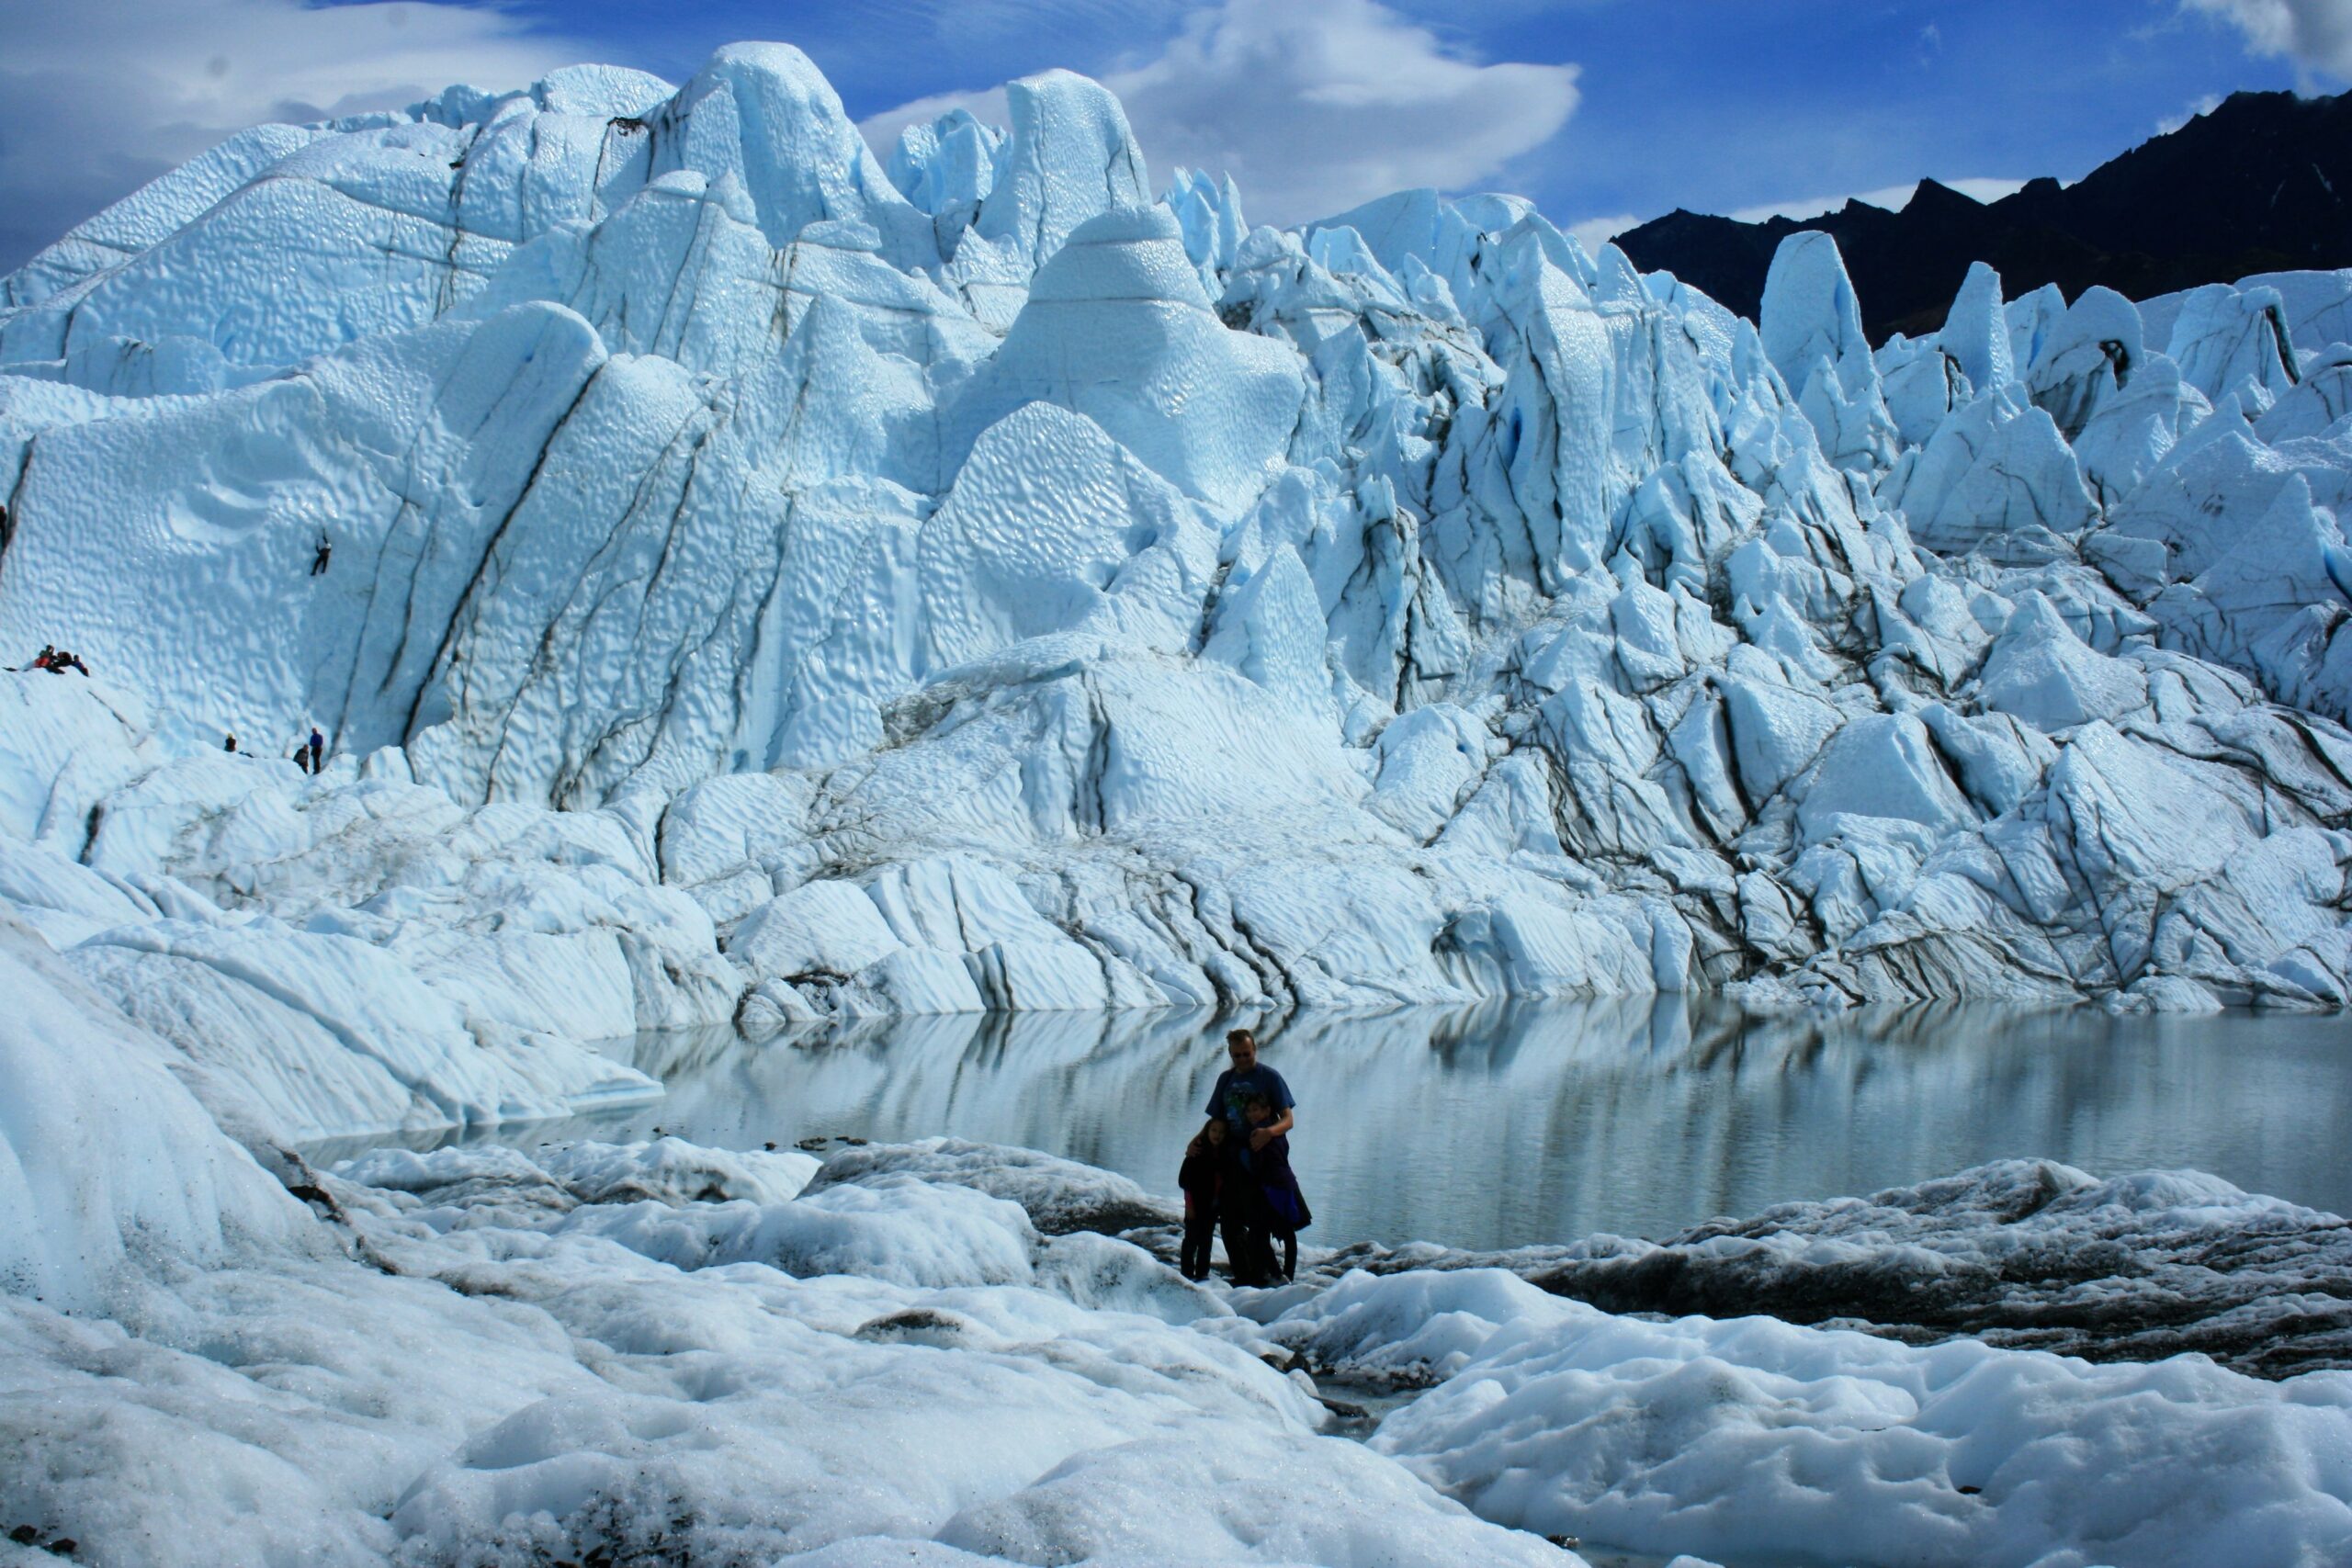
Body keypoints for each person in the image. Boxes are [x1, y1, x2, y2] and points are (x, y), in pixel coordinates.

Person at [1203, 1027, 1295, 1286]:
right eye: (1237, 1055)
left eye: (1247, 1054)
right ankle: (1244, 1277)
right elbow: (1217, 1119)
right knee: (1230, 1223)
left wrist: (1268, 1132)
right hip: (1232, 1157)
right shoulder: (1226, 1079)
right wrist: (1197, 1142)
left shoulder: (1270, 1078)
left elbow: (1288, 1119)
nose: (1242, 1060)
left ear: (1255, 1050)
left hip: (1262, 1159)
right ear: (1230, 1054)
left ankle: (1266, 1275)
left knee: (1259, 1222)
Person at [1243, 1094, 1312, 1282]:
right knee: (1285, 1231)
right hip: (1284, 1182)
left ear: (1266, 1111)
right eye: (1248, 1111)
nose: (1251, 1114)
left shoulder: (1259, 1132)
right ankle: (1286, 1275)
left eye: (1255, 1109)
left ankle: (1278, 1274)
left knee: (1259, 1233)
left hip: (1272, 1187)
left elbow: (1258, 1162)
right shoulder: (1276, 1129)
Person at [1178, 1119, 1227, 1281]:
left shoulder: (1223, 1155)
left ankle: (1202, 1273)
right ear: (1206, 1131)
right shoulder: (1197, 1152)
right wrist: (1189, 1205)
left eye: (1221, 1132)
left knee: (1206, 1240)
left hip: (1212, 1207)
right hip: (1195, 1204)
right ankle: (1186, 1272)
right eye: (1214, 1130)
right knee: (1191, 1239)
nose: (1217, 1135)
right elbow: (1185, 1182)